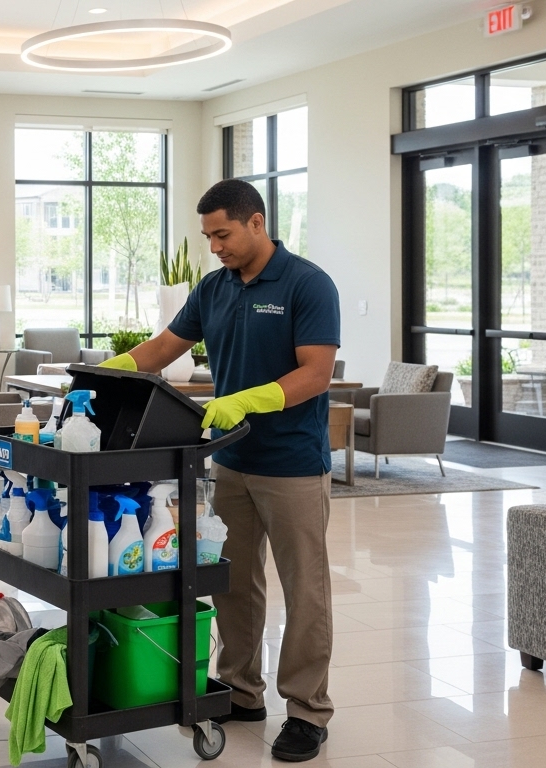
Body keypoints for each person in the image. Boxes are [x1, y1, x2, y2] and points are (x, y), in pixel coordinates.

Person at [99, 179, 340, 763]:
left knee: (303, 588)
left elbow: (316, 373)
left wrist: (247, 400)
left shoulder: (308, 284)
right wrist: (106, 371)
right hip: (229, 460)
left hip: (292, 465)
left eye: (222, 234)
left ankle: (307, 711)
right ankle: (241, 690)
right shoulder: (214, 287)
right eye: (207, 236)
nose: (214, 247)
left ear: (256, 223)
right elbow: (164, 346)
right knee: (232, 581)